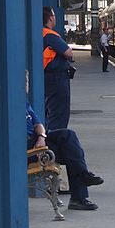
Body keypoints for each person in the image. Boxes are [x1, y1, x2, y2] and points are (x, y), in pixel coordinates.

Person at [26, 73, 103, 211]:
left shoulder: (24, 103)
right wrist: (38, 145)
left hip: (38, 140)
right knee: (70, 152)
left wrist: (41, 137)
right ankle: (79, 193)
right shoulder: (10, 106)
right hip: (29, 148)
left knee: (68, 136)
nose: (26, 85)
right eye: (24, 82)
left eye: (27, 81)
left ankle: (82, 178)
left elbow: (38, 124)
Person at [43, 6, 74, 130]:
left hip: (49, 76)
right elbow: (68, 53)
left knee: (51, 110)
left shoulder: (41, 33)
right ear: (51, 18)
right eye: (54, 16)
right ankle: (55, 141)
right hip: (56, 78)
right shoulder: (50, 35)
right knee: (59, 113)